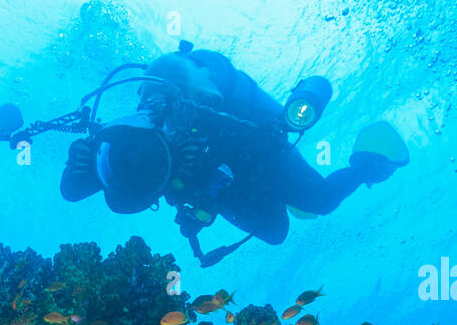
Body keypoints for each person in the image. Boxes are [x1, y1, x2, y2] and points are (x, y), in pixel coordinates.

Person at [60, 45, 408, 265]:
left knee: (320, 201)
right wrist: (85, 155)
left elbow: (311, 95)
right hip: (220, 186)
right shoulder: (127, 141)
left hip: (259, 155)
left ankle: (367, 163)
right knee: (276, 234)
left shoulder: (217, 105)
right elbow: (73, 191)